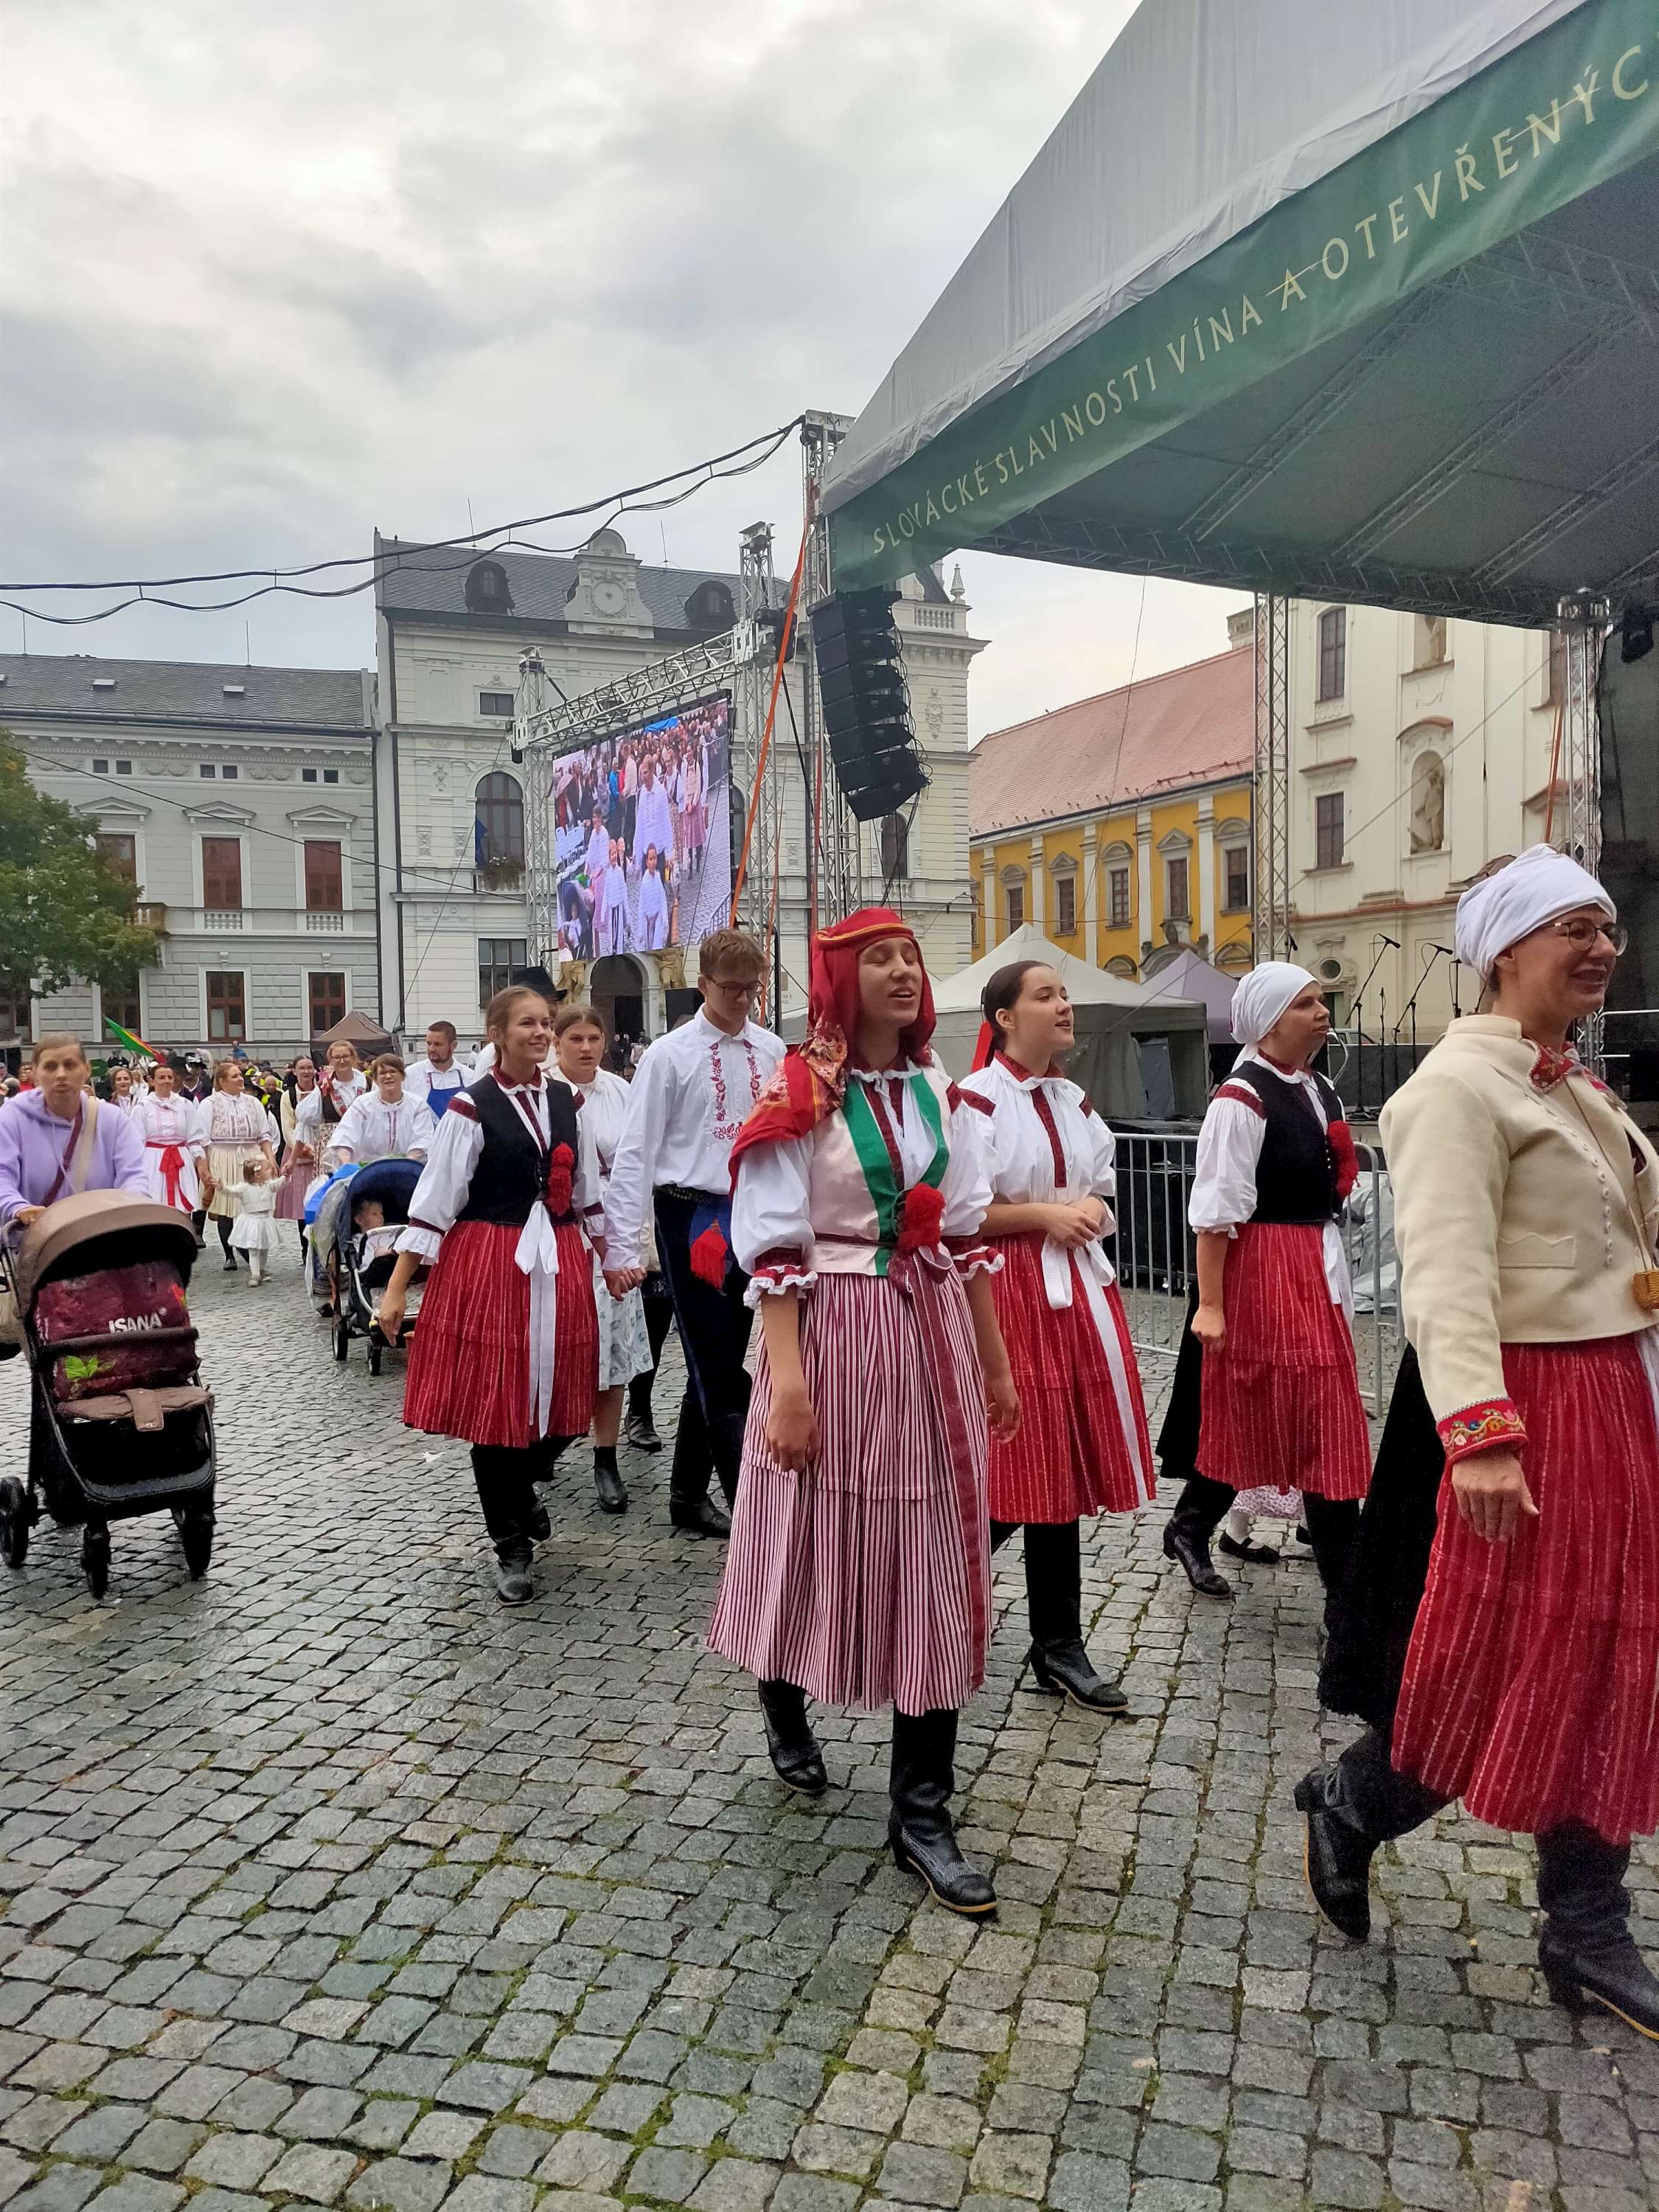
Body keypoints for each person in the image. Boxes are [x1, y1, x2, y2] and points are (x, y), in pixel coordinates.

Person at [1297, 846, 1659, 2036]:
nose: (1601, 947)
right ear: (1505, 949)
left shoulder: (1572, 1084)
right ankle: (1355, 1799)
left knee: (1610, 1659)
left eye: (1606, 927)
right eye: (1574, 928)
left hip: (1613, 1393)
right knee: (1503, 1662)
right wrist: (1482, 1438)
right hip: (1529, 1405)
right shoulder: (1456, 1089)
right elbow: (1445, 1277)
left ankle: (1586, 1928)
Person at [708, 908, 1019, 1914]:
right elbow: (773, 1245)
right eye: (878, 959)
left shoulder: (937, 1088)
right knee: (806, 1528)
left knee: (938, 1549)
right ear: (842, 981)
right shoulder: (799, 1090)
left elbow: (964, 1234)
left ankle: (920, 1811)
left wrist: (996, 1365)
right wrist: (788, 1387)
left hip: (929, 1329)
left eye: (908, 957)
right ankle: (781, 1693)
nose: (901, 971)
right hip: (832, 1329)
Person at [961, 961, 1154, 1712]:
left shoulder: (1074, 1099)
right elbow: (961, 1212)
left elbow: (1099, 1189)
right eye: (1046, 996)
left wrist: (1088, 1212)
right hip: (1011, 1290)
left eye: (1064, 994)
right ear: (1006, 1019)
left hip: (1076, 1291)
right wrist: (1044, 1215)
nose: (1064, 1006)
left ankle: (1057, 1641)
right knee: (1022, 1461)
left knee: (1060, 1466)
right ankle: (939, 1583)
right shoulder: (977, 1099)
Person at [1157, 962, 1369, 1622]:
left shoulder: (1317, 1088)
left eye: (1321, 1001)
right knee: (1261, 1412)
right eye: (1306, 1004)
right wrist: (1211, 1305)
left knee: (1322, 1417)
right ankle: (1199, 1529)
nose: (1322, 1012)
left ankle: (1344, 1586)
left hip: (1311, 1265)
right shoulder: (1241, 1098)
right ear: (1271, 1021)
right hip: (1263, 1268)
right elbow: (1215, 1212)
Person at [378, 987, 603, 1605]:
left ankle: (523, 1485)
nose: (542, 1032)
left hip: (558, 1256)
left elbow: (586, 1190)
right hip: (490, 1259)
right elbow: (434, 1204)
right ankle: (510, 1543)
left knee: (566, 1388)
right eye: (528, 1023)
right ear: (497, 1034)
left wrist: (612, 1258)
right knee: (498, 1400)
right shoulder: (470, 1107)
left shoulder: (565, 1100)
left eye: (546, 1022)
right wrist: (396, 1289)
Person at [602, 930, 784, 1539]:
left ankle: (686, 1495)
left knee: (724, 1356)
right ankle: (755, 1512)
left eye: (752, 988)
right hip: (690, 1216)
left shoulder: (771, 1050)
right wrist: (623, 1248)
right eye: (730, 988)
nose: (742, 999)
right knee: (719, 1363)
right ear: (702, 984)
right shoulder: (669, 1055)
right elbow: (635, 1152)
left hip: (752, 1211)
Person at [551, 1004, 654, 1514]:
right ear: (558, 1044)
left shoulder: (620, 1091)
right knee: (559, 1344)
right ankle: (544, 1440)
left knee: (613, 1347)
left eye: (594, 1038)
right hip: (561, 1232)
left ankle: (606, 1455)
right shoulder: (545, 1093)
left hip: (613, 1228)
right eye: (576, 1039)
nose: (587, 1047)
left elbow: (639, 1165)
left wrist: (637, 1239)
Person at [0, 1034, 147, 1225]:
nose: (61, 1074)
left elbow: (134, 1175)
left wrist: (129, 1208)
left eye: (70, 1065)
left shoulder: (113, 1119)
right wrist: (17, 1207)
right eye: (50, 1067)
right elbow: (2, 1175)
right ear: (35, 1073)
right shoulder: (11, 1117)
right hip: (33, 1236)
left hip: (102, 1234)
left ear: (86, 1069)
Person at [198, 1060, 278, 1272]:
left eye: (240, 1075)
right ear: (222, 1081)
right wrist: (204, 1166)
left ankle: (250, 1249)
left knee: (251, 1204)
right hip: (223, 1155)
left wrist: (270, 1160)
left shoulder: (253, 1103)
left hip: (251, 1155)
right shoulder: (209, 1104)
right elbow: (202, 1139)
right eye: (234, 1076)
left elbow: (264, 1135)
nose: (240, 1079)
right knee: (226, 1206)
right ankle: (229, 1254)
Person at [325, 1056, 437, 1170]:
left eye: (393, 1072)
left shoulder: (417, 1105)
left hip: (408, 1169)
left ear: (403, 1076)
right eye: (382, 1073)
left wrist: (406, 1164)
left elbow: (423, 1139)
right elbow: (345, 1135)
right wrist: (346, 1165)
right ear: (376, 1079)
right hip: (366, 1172)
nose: (388, 1076)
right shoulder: (362, 1105)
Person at [131, 1059, 206, 1224]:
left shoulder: (185, 1105)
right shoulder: (142, 1107)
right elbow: (136, 1143)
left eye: (169, 1077)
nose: (166, 1081)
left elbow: (194, 1138)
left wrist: (200, 1161)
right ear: (152, 1081)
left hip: (181, 1161)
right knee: (155, 1206)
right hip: (153, 1163)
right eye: (162, 1077)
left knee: (183, 1206)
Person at [276, 1056, 319, 1246]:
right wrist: (302, 1148)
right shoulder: (289, 1096)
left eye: (309, 1068)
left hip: (320, 1149)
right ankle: (305, 1247)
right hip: (298, 1153)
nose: (306, 1072)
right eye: (302, 1068)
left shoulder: (322, 1091)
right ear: (294, 1071)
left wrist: (318, 1148)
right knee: (302, 1203)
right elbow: (287, 1127)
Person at [293, 1041, 366, 1152]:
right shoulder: (323, 1087)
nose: (342, 1061)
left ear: (353, 1057)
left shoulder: (367, 1083)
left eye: (346, 1056)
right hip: (332, 1148)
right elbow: (305, 1123)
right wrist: (293, 1159)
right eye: (337, 1057)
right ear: (331, 1060)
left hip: (363, 1144)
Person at [404, 1023, 475, 1118]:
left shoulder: (470, 1077)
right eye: (429, 1044)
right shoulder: (410, 1075)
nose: (432, 1049)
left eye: (438, 1044)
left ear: (454, 1045)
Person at [229, 1156, 279, 1287]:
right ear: (257, 1175)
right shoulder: (244, 1187)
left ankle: (261, 1270)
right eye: (267, 1169)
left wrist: (286, 1176)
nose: (271, 1170)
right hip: (251, 1221)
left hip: (265, 1220)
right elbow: (231, 1191)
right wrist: (221, 1187)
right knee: (254, 1249)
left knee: (264, 1248)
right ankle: (255, 1274)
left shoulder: (268, 1185)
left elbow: (279, 1184)